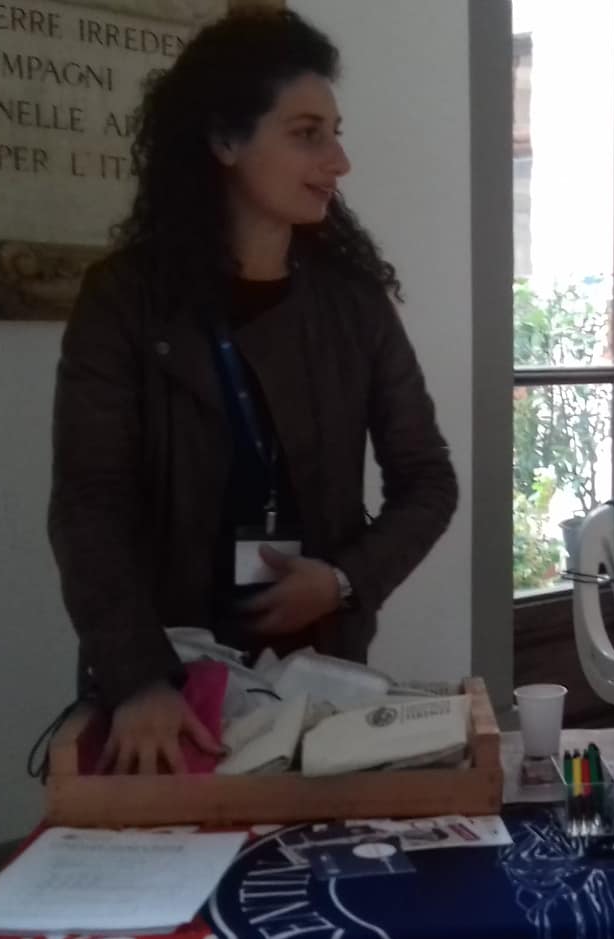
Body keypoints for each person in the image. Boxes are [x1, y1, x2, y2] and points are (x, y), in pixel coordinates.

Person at [49, 10, 458, 775]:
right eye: (307, 134)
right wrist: (137, 678)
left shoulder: (352, 303)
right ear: (224, 140)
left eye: (335, 133)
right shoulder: (124, 300)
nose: (339, 160)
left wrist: (341, 580)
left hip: (318, 678)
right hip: (166, 683)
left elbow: (428, 480)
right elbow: (89, 505)